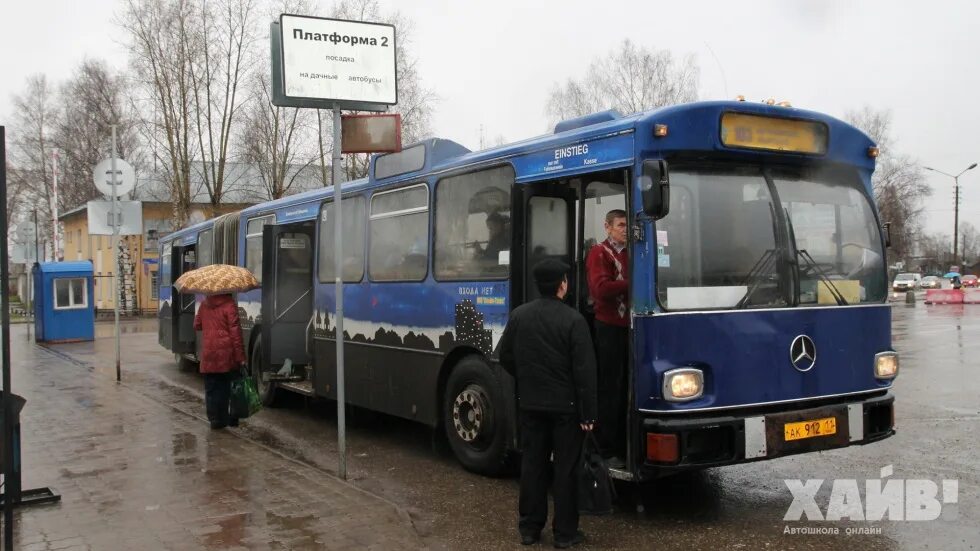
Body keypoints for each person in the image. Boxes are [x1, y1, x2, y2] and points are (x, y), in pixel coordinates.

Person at [497, 259, 597, 549]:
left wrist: (528, 381)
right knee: (565, 470)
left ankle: (529, 528)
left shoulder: (519, 315)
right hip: (567, 410)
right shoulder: (574, 320)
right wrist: (588, 413)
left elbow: (506, 356)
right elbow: (585, 372)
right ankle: (565, 533)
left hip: (531, 405)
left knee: (532, 466)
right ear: (562, 285)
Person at [585, 209, 629, 464]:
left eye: (627, 225)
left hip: (629, 326)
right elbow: (601, 289)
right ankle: (605, 447)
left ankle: (623, 441)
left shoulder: (632, 252)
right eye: (620, 225)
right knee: (610, 387)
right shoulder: (599, 253)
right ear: (608, 227)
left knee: (625, 386)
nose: (625, 229)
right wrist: (635, 281)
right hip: (608, 326)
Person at [193, 293, 246, 429]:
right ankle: (232, 417)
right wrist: (241, 358)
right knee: (230, 388)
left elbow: (197, 325)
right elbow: (236, 335)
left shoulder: (204, 305)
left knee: (211, 388)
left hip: (209, 354)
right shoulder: (230, 305)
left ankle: (215, 420)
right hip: (226, 355)